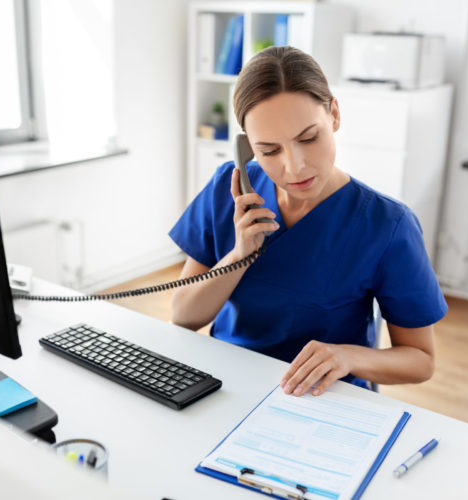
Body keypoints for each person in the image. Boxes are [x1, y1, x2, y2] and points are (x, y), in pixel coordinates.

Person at [169, 46, 447, 396]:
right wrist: (239, 255)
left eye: (308, 138)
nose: (294, 166)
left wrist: (347, 357)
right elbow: (183, 316)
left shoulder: (387, 225)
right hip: (227, 387)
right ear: (248, 147)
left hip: (323, 398)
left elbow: (421, 360)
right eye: (269, 150)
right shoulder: (230, 190)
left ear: (334, 114)